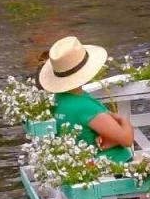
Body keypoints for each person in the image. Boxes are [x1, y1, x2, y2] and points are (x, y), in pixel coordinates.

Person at [38, 36, 136, 165]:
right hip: (112, 169)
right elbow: (127, 139)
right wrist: (122, 120)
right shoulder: (84, 106)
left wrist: (112, 138)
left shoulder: (59, 99)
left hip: (85, 166)